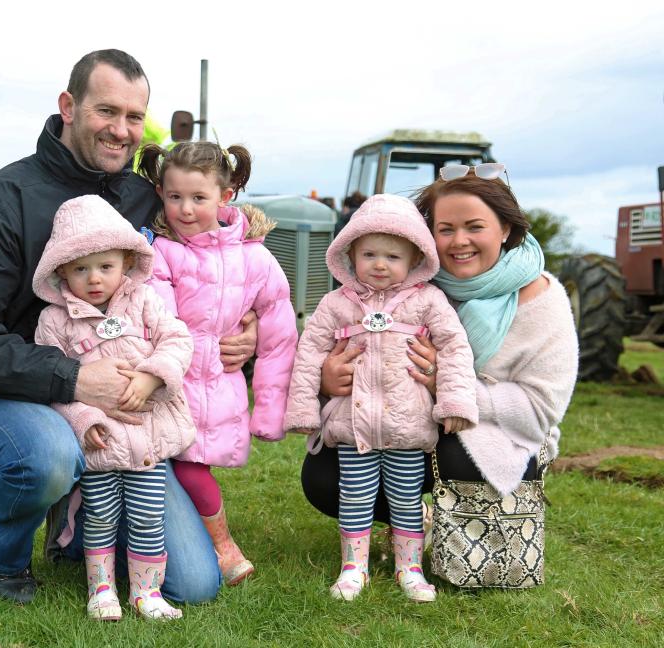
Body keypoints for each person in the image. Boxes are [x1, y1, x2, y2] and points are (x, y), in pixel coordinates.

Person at [0, 49, 255, 605]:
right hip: (5, 395)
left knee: (195, 585)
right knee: (47, 456)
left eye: (135, 116)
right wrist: (74, 381)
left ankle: (79, 522)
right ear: (68, 107)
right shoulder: (2, 202)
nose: (122, 130)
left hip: (125, 406)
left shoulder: (139, 199)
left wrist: (240, 323)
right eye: (107, 111)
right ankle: (4, 556)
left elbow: (204, 255)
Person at [302, 166, 578, 571]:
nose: (459, 241)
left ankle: (459, 529)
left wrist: (446, 386)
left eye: (474, 227)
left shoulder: (541, 300)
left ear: (505, 229)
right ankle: (412, 521)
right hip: (399, 416)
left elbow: (540, 409)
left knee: (462, 455)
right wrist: (329, 379)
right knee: (326, 476)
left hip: (499, 431)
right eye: (445, 229)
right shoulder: (405, 284)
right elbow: (342, 346)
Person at [284, 194, 478, 602]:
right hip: (354, 427)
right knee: (354, 495)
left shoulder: (427, 301)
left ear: (414, 260)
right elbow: (309, 354)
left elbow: (455, 348)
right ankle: (354, 568)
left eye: (393, 256)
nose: (380, 264)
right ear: (349, 254)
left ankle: (410, 568)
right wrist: (304, 406)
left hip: (408, 425)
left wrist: (454, 401)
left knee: (405, 498)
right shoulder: (336, 304)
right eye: (369, 253)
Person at [138, 141, 298, 585]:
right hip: (167, 384)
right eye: (174, 197)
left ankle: (219, 545)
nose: (184, 209)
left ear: (225, 197)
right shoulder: (160, 253)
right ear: (160, 192)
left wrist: (269, 409)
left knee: (192, 466)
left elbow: (280, 334)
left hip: (215, 391)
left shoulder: (255, 259)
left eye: (198, 198)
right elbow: (160, 318)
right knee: (167, 467)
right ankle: (213, 545)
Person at [33, 195, 196, 620]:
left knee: (147, 518)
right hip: (100, 446)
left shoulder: (145, 301)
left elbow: (178, 341)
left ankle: (147, 593)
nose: (94, 279)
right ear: (62, 270)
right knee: (100, 518)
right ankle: (101, 591)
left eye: (105, 266)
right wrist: (83, 418)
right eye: (80, 269)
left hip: (146, 440)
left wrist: (152, 374)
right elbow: (52, 386)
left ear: (125, 261)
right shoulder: (55, 321)